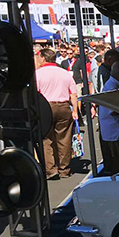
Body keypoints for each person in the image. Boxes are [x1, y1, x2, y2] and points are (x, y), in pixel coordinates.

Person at [34, 48, 77, 180]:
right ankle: (64, 168)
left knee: (46, 139)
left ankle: (51, 169)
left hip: (45, 107)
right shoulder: (65, 73)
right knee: (64, 138)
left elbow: (35, 94)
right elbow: (73, 94)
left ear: (43, 58)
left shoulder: (38, 74)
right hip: (64, 106)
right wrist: (75, 110)